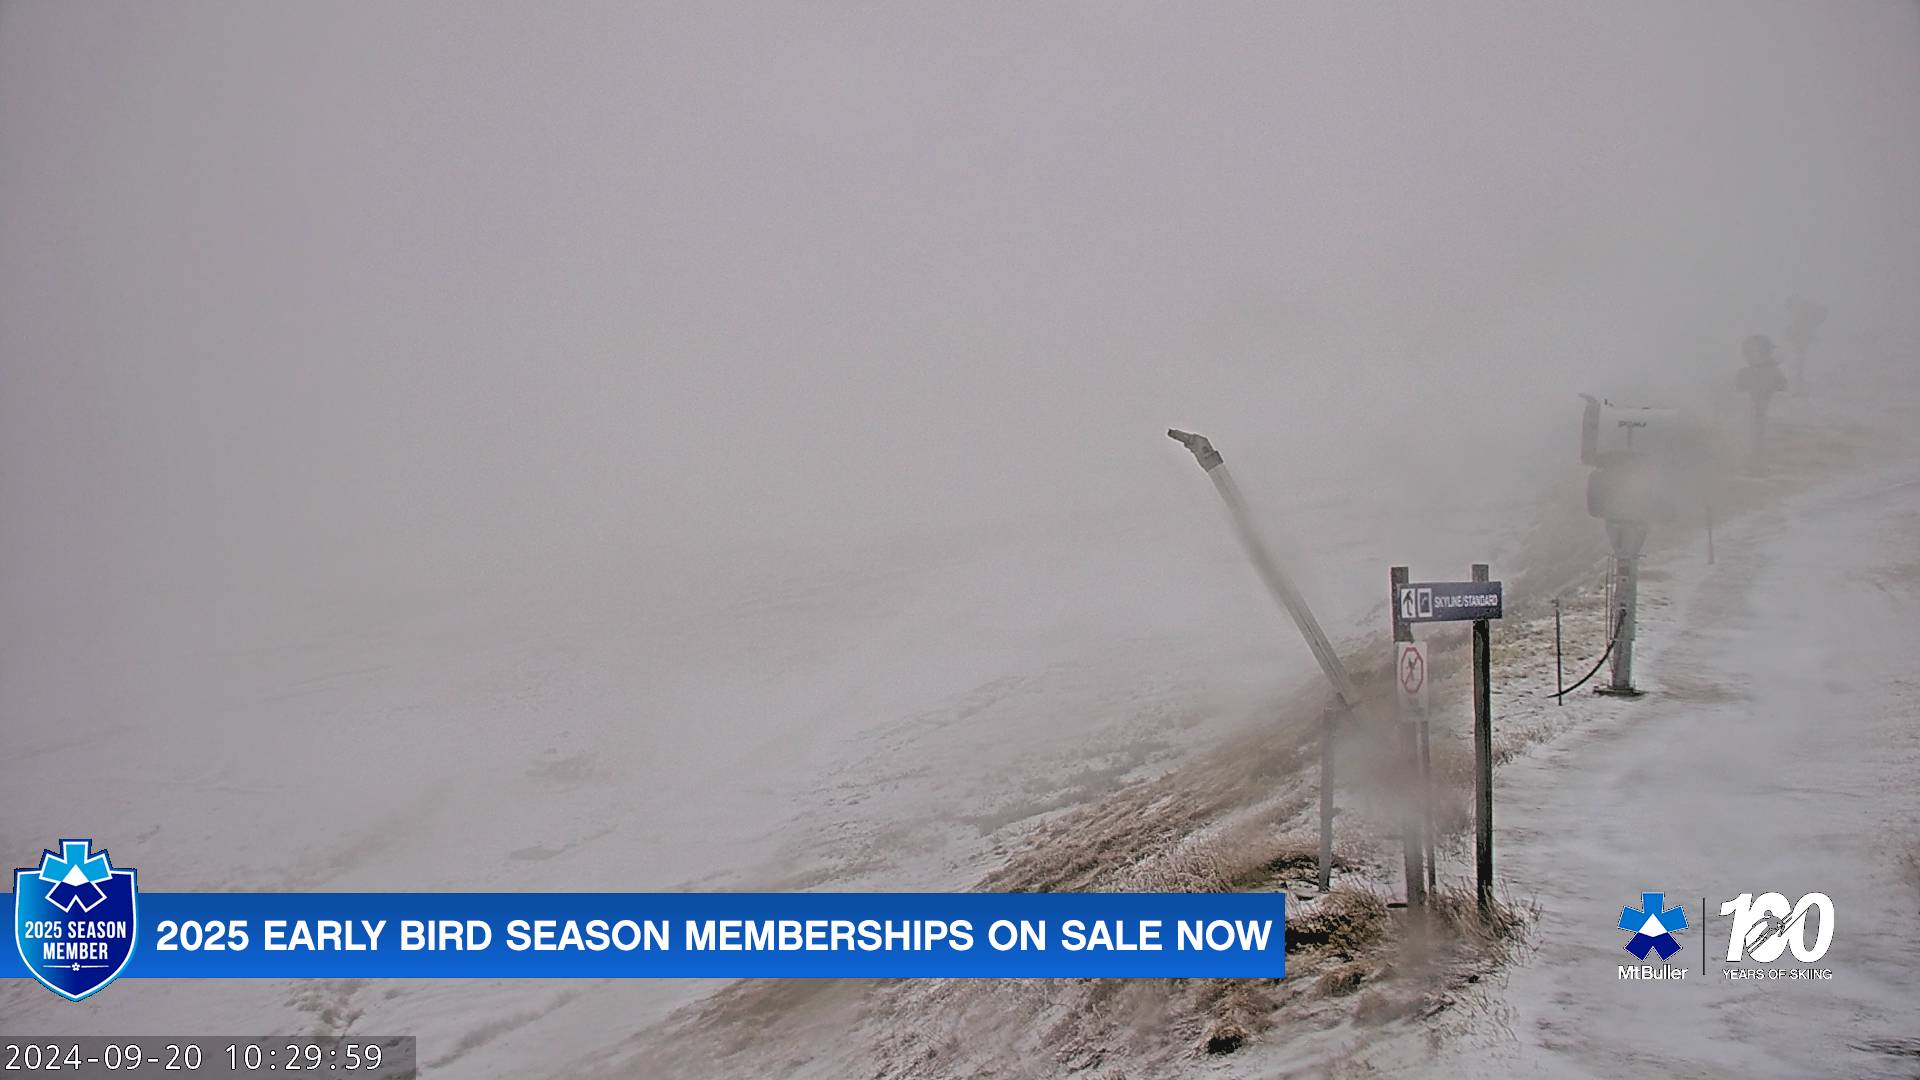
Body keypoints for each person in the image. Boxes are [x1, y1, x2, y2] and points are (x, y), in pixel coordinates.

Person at [1735, 334, 1788, 470]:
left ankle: (1757, 462)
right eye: (1751, 352)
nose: (1753, 355)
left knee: (1758, 434)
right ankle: (1755, 462)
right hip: (1752, 416)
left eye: (1758, 352)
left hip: (1763, 416)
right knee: (1755, 433)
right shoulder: (1746, 373)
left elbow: (1782, 390)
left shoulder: (1770, 373)